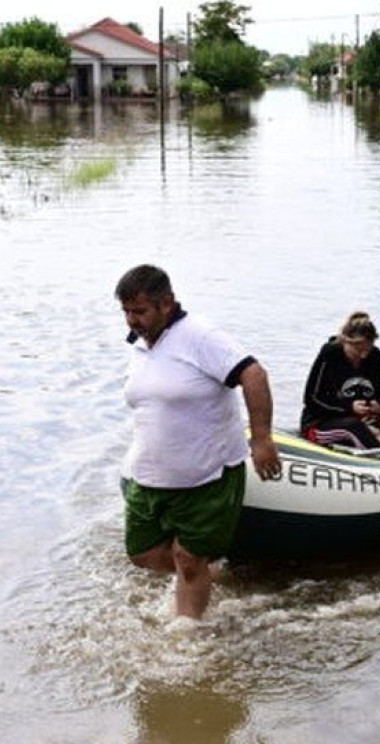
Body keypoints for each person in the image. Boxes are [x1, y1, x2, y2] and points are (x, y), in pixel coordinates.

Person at [116, 264, 281, 619]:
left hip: (206, 475)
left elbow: (253, 374)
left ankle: (188, 639)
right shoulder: (143, 344)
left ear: (167, 304)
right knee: (141, 554)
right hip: (150, 476)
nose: (132, 320)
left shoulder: (200, 337)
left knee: (189, 559)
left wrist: (262, 440)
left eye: (140, 311)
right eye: (126, 312)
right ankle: (215, 577)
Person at [300, 312, 380, 449]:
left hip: (364, 419)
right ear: (346, 342)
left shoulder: (376, 356)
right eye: (358, 350)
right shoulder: (330, 353)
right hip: (323, 421)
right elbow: (311, 398)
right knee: (353, 427)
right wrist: (349, 407)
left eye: (367, 349)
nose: (363, 355)